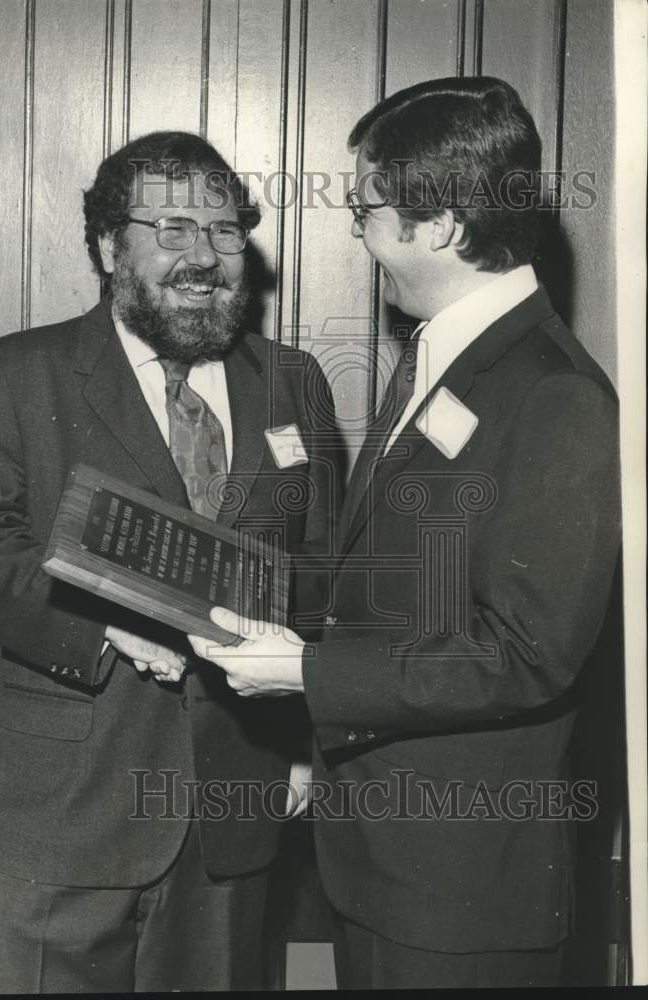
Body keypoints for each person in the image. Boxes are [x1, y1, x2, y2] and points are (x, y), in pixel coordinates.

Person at [189, 77, 622, 989]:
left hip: (461, 894)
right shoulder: (443, 353)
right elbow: (391, 584)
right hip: (382, 867)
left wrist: (305, 672)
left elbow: (526, 654)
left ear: (442, 225)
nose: (358, 233)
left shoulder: (556, 396)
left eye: (367, 210)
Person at [0, 131, 341, 992]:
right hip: (68, 808)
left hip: (237, 801)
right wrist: (103, 624)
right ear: (110, 246)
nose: (205, 257)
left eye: (226, 232)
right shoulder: (17, 373)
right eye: (173, 228)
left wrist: (306, 738)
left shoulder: (294, 381)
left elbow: (322, 568)